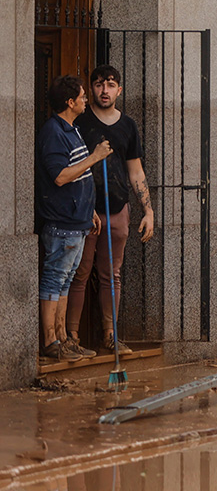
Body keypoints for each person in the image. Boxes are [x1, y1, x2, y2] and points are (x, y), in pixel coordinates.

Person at [67, 65, 154, 357]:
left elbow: (136, 171)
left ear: (119, 90)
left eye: (111, 85)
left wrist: (148, 210)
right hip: (85, 211)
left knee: (111, 275)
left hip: (118, 209)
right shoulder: (80, 121)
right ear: (90, 88)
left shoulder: (128, 125)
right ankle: (71, 338)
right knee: (79, 273)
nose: (104, 91)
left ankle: (110, 336)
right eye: (99, 85)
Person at [36, 75, 112, 362]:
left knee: (65, 280)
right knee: (55, 279)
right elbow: (60, 176)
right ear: (70, 102)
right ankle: (50, 341)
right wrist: (95, 157)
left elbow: (77, 175)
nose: (85, 99)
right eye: (81, 96)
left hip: (77, 221)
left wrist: (89, 209)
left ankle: (63, 339)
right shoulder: (54, 132)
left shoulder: (71, 129)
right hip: (62, 224)